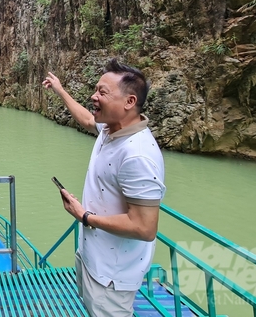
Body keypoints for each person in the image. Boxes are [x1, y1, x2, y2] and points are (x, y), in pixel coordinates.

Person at [42, 58, 166, 317]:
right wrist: (60, 90)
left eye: (102, 92)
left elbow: (145, 228)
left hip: (112, 275)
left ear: (129, 102)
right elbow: (87, 120)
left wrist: (84, 216)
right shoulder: (111, 130)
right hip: (93, 256)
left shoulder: (137, 155)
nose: (94, 96)